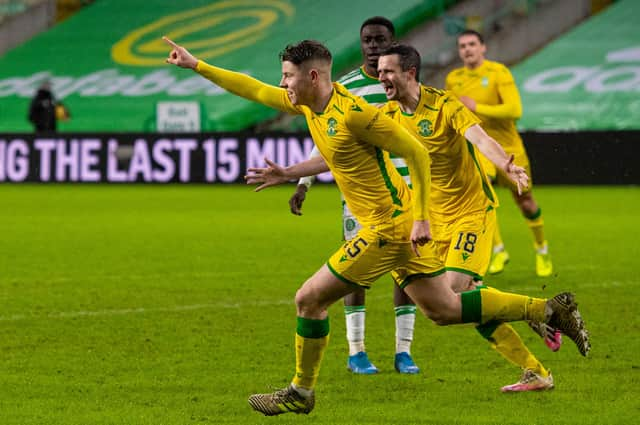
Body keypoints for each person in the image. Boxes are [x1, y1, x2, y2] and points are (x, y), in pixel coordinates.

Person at [163, 37, 590, 417]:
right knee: (443, 309)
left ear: (313, 76)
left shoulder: (356, 114)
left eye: (288, 77)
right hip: (401, 224)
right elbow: (253, 89)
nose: (283, 85)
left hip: (390, 227)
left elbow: (417, 155)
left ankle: (301, 391)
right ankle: (547, 310)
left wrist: (422, 216)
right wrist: (198, 65)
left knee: (309, 299)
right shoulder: (309, 104)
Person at [377, 43, 560, 391]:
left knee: (449, 298)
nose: (381, 76)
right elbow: (342, 148)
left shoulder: (444, 103)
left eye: (387, 70)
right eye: (379, 70)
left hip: (471, 211)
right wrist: (295, 174)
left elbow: (479, 138)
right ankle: (536, 370)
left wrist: (503, 162)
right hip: (432, 219)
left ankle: (543, 310)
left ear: (409, 73)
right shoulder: (389, 115)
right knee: (463, 302)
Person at [288, 16, 420, 375]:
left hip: (407, 194)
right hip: (361, 197)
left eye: (381, 40)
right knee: (353, 274)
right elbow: (324, 143)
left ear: (392, 43)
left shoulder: (406, 87)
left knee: (405, 273)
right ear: (361, 44)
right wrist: (304, 184)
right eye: (368, 40)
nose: (374, 46)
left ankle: (403, 350)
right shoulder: (343, 89)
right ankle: (357, 350)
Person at [445, 30, 553, 277]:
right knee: (481, 195)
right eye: (462, 46)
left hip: (509, 150)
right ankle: (498, 249)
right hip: (479, 149)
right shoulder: (454, 79)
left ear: (483, 48)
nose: (467, 49)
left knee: (525, 202)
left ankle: (541, 250)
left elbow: (515, 110)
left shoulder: (498, 73)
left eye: (472, 44)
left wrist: (478, 107)